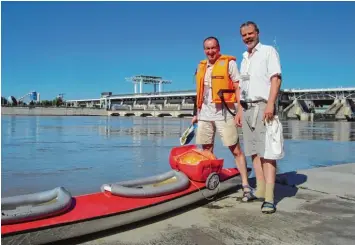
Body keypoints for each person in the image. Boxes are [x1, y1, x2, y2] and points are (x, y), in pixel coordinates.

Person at [192, 36, 253, 201]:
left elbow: (238, 86)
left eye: (213, 48)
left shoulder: (229, 64)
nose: (210, 51)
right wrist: (196, 114)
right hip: (205, 114)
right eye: (207, 48)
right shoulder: (201, 66)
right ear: (204, 50)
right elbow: (200, 93)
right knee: (206, 152)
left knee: (235, 150)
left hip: (224, 113)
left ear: (218, 48)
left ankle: (246, 186)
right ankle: (209, 184)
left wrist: (240, 110)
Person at [238, 21, 283, 213]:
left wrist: (271, 103)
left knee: (267, 153)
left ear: (258, 33)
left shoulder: (268, 51)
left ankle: (270, 198)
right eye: (244, 35)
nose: (247, 37)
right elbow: (243, 87)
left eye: (250, 33)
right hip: (247, 108)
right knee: (254, 152)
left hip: (263, 106)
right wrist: (240, 110)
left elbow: (276, 78)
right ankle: (262, 190)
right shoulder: (244, 58)